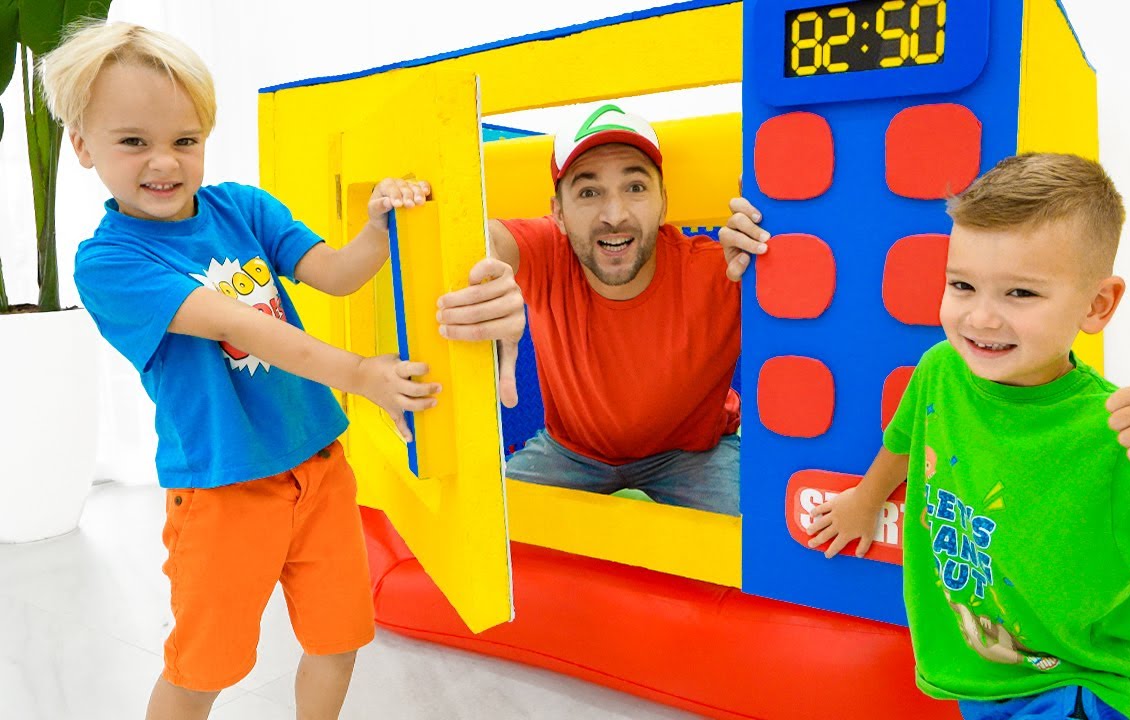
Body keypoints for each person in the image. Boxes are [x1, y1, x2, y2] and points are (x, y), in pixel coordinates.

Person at [42, 21, 522, 720]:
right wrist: (362, 374)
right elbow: (241, 326)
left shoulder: (242, 206)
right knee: (204, 668)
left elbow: (336, 273)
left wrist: (378, 226)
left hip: (318, 467)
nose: (164, 162)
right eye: (134, 142)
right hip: (223, 490)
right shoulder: (109, 261)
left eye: (185, 141)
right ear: (84, 147)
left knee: (339, 641)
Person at [783, 153, 1130, 719]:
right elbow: (906, 439)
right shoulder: (941, 369)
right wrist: (865, 500)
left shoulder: (1113, 436)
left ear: (1098, 305)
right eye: (962, 285)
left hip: (1078, 691)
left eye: (1020, 293)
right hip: (982, 686)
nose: (981, 318)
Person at [472, 102, 742, 515]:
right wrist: (480, 277)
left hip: (693, 453)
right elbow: (484, 240)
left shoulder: (720, 270)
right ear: (558, 214)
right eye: (589, 192)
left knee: (765, 539)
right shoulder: (548, 252)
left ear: (663, 203)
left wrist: (781, 241)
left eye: (635, 188)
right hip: (570, 453)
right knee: (490, 523)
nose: (614, 215)